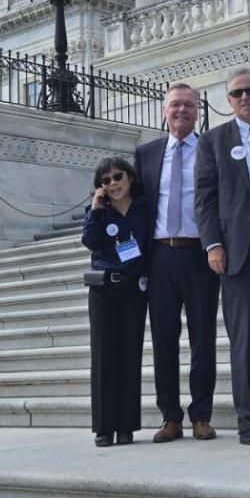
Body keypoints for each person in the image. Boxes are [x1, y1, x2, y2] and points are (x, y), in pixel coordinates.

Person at [196, 68, 250, 445]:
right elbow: (204, 199)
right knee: (245, 341)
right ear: (227, 101)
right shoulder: (214, 141)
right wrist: (213, 244)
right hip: (239, 254)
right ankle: (249, 420)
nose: (244, 98)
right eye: (236, 94)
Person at [133, 84, 219, 443]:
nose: (181, 110)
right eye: (175, 105)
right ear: (164, 110)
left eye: (188, 105)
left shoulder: (210, 150)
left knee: (204, 338)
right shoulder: (147, 153)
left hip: (201, 253)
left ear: (197, 111)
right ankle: (171, 416)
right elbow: (135, 202)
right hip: (160, 256)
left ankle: (201, 415)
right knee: (164, 339)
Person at [80, 156, 151, 447]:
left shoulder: (145, 209)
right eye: (105, 181)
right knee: (104, 357)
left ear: (130, 177)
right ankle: (104, 427)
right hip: (104, 290)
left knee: (129, 356)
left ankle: (126, 427)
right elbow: (91, 242)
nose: (113, 184)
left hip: (135, 289)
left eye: (117, 177)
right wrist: (96, 209)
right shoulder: (98, 211)